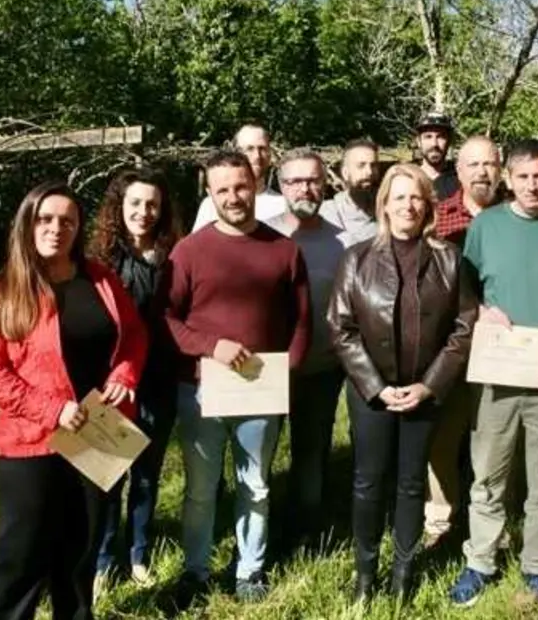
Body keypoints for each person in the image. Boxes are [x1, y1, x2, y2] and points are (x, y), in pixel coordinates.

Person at [0, 181, 147, 619]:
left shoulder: (100, 279)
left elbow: (134, 335)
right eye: (45, 219)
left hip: (100, 430)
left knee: (82, 549)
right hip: (32, 439)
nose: (56, 228)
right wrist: (52, 410)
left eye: (67, 220)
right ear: (27, 225)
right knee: (22, 553)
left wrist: (125, 372)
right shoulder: (2, 289)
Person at [448, 139, 538, 611]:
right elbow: (465, 292)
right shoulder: (486, 226)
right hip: (496, 377)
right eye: (523, 176)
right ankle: (480, 561)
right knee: (487, 477)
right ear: (508, 179)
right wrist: (482, 311)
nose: (532, 186)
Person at [165, 151, 310, 603]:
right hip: (201, 389)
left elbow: (302, 320)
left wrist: (287, 368)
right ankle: (196, 570)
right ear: (210, 193)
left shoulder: (284, 249)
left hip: (260, 390)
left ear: (256, 184)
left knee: (256, 486)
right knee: (201, 489)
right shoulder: (189, 251)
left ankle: (250, 570)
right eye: (222, 189)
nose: (233, 197)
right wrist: (212, 346)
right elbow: (167, 320)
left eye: (241, 186)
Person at [329, 163, 478, 601]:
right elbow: (340, 326)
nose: (408, 206)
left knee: (412, 483)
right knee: (368, 481)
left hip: (423, 393)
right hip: (371, 393)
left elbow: (464, 327)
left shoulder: (448, 259)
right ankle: (365, 573)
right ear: (384, 205)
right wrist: (375, 386)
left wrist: (430, 385)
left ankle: (403, 574)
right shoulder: (356, 258)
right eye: (399, 197)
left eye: (416, 197)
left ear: (428, 205)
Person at [87, 168, 184, 590]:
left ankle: (139, 554)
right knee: (107, 475)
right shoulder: (97, 261)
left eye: (152, 205)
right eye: (135, 203)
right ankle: (103, 560)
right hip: (109, 384)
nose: (144, 212)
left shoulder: (174, 259)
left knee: (146, 475)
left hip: (159, 380)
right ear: (119, 207)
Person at [265, 148, 349, 548]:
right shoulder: (261, 236)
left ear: (325, 183)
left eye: (313, 180)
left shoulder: (342, 242)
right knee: (260, 455)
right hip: (264, 369)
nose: (305, 188)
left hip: (321, 368)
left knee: (311, 452)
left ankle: (305, 532)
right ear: (281, 186)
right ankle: (258, 534)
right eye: (295, 181)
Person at [424, 133, 503, 546]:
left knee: (495, 442)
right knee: (443, 440)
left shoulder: (514, 215)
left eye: (489, 163)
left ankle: (493, 523)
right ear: (458, 172)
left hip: (504, 350)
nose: (482, 172)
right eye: (473, 164)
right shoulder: (437, 220)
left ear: (500, 169)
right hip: (451, 346)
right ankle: (440, 521)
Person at [192, 124, 287, 230]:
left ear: (269, 154)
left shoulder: (283, 206)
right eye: (250, 149)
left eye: (262, 149)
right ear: (236, 152)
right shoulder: (212, 204)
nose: (257, 156)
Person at [320, 137, 381, 245]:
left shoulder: (389, 209)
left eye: (373, 165)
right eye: (361, 166)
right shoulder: (329, 214)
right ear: (345, 173)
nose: (369, 172)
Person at [415, 111, 460, 199]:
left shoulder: (461, 179)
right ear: (418, 141)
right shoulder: (409, 179)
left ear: (449, 141)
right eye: (428, 137)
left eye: (440, 137)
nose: (434, 144)